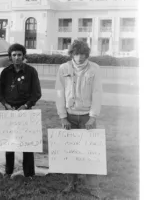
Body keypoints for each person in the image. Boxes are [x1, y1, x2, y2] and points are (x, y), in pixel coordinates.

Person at [55, 40, 103, 198]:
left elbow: (97, 93)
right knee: (71, 152)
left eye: (83, 54)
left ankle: (94, 187)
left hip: (86, 117)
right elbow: (59, 93)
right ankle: (71, 183)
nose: (80, 57)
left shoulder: (95, 68)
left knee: (90, 152)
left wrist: (92, 116)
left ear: (87, 54)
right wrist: (63, 117)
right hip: (69, 115)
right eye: (76, 54)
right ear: (72, 54)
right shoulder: (63, 68)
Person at [0, 43, 42, 181]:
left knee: (27, 144)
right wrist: (6, 104)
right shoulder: (5, 72)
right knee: (9, 143)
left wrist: (26, 106)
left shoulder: (31, 72)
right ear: (10, 57)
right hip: (9, 112)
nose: (17, 57)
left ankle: (29, 174)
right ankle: (8, 171)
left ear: (23, 56)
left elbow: (37, 93)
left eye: (19, 55)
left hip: (25, 112)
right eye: (14, 55)